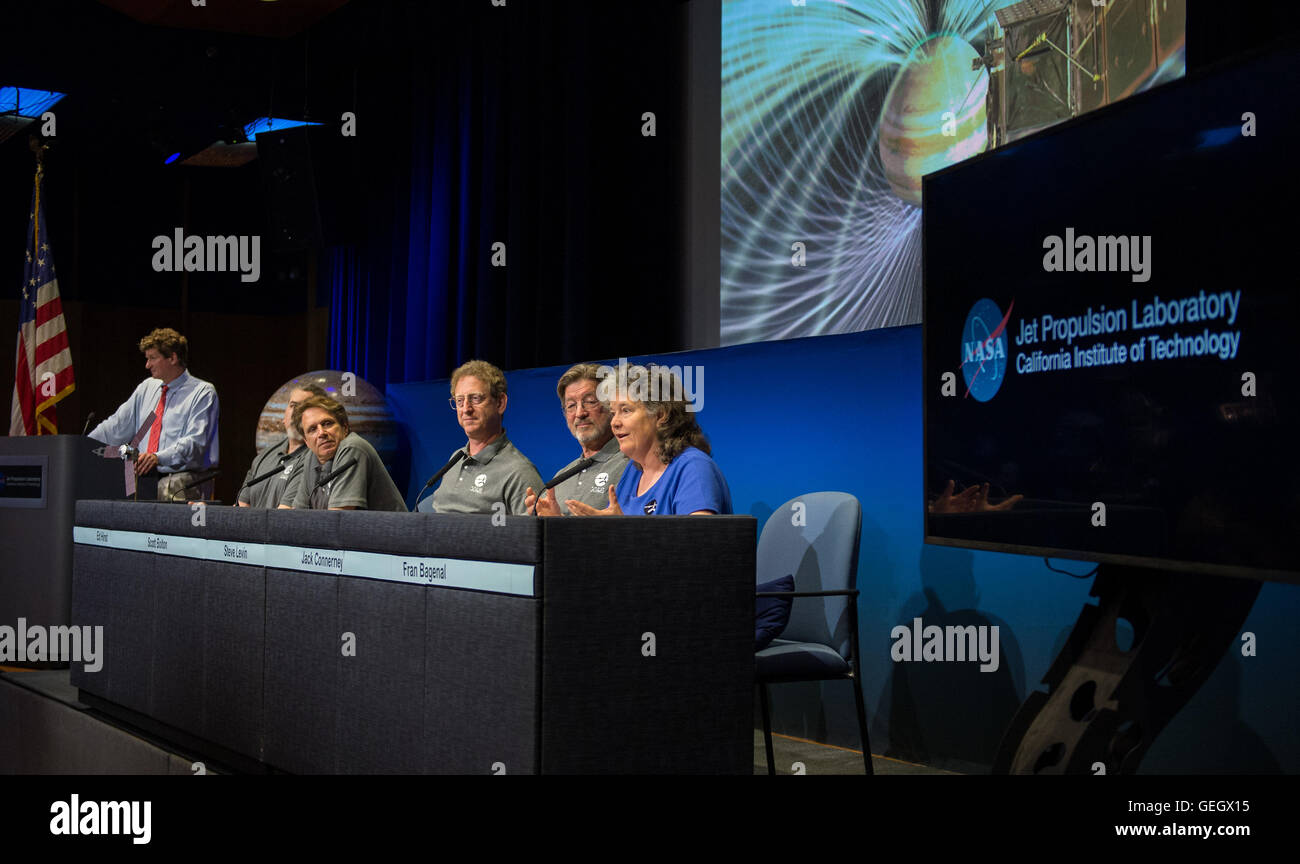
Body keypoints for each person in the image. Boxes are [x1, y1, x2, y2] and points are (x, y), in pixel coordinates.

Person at [565, 364, 731, 516]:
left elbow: (697, 544)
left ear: (660, 415)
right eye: (613, 412)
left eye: (626, 410)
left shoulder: (692, 468)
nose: (614, 422)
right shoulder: (634, 471)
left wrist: (622, 532)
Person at [89, 327, 219, 501]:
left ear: (172, 358)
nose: (147, 365)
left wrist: (158, 458)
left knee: (168, 493)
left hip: (182, 481)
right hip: (142, 478)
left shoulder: (202, 392)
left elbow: (195, 443)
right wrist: (84, 446)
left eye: (153, 358)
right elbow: (116, 426)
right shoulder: (147, 388)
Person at [427, 359, 543, 515]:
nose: (466, 409)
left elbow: (529, 536)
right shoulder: (456, 458)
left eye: (475, 399)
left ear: (500, 403)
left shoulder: (519, 472)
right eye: (460, 401)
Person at [525, 363, 629, 515]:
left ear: (611, 406)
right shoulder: (561, 477)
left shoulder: (632, 465)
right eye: (571, 405)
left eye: (591, 401)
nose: (580, 413)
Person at [278, 393, 406, 511]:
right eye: (312, 429)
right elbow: (297, 515)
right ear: (306, 441)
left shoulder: (352, 448)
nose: (321, 433)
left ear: (345, 428)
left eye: (327, 423)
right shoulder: (311, 457)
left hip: (390, 534)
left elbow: (338, 520)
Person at [236, 382, 327, 508]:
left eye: (304, 407)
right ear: (284, 417)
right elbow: (240, 509)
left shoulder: (313, 459)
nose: (296, 412)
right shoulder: (264, 456)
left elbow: (283, 517)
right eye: (293, 405)